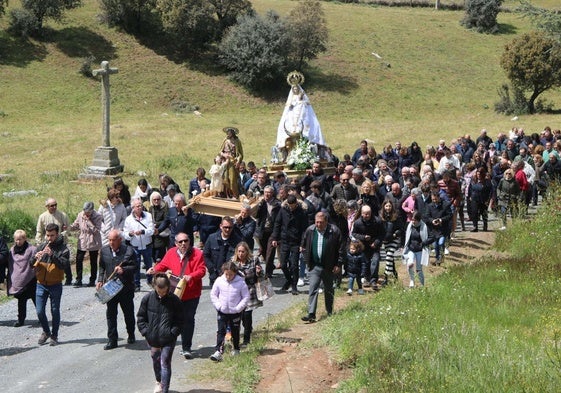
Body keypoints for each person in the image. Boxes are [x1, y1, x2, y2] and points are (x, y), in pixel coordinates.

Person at [148, 232, 206, 360]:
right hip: (174, 293)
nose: (183, 244)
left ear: (189, 242)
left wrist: (192, 276)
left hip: (191, 293)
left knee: (188, 320)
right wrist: (155, 269)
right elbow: (163, 265)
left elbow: (202, 270)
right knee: (170, 319)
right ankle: (168, 345)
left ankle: (186, 347)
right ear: (176, 243)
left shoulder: (197, 254)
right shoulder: (171, 252)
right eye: (180, 242)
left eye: (186, 241)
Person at [137, 273, 184, 393]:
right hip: (152, 339)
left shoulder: (174, 300)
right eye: (159, 291)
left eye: (164, 291)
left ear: (168, 287)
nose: (161, 294)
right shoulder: (147, 298)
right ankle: (158, 381)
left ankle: (165, 389)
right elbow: (141, 318)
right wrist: (146, 332)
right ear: (154, 287)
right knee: (156, 361)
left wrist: (173, 333)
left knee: (165, 363)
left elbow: (180, 320)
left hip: (168, 339)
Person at [300, 212, 345, 323]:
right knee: (313, 288)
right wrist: (307, 261)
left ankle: (329, 311)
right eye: (317, 222)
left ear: (326, 222)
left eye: (321, 222)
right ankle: (311, 314)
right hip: (315, 266)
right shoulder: (310, 230)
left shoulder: (334, 231)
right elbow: (303, 246)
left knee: (328, 290)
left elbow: (341, 249)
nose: (318, 224)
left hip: (329, 267)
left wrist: (338, 264)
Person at [97, 229, 137, 350]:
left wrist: (124, 270)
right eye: (109, 240)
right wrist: (100, 279)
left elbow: (135, 267)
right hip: (110, 288)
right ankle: (112, 340)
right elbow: (102, 266)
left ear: (120, 240)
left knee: (128, 313)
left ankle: (131, 334)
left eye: (114, 240)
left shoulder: (129, 251)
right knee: (111, 314)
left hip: (125, 288)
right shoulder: (104, 251)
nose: (111, 243)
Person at [33, 223, 70, 346]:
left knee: (55, 310)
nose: (49, 238)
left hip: (55, 284)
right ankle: (46, 331)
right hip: (41, 284)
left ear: (57, 234)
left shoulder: (63, 248)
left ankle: (54, 335)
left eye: (52, 235)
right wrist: (34, 258)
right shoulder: (41, 246)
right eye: (47, 235)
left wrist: (52, 255)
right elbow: (30, 264)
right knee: (39, 311)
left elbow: (64, 264)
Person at [209, 261, 250, 361]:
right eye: (226, 274)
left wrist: (238, 308)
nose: (228, 277)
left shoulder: (240, 282)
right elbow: (213, 294)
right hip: (222, 311)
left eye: (231, 274)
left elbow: (246, 297)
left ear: (235, 273)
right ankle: (218, 351)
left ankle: (236, 349)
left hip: (235, 312)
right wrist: (219, 306)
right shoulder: (219, 281)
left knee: (235, 330)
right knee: (221, 331)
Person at [271, 194, 308, 295]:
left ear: (296, 203)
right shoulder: (283, 211)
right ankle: (289, 280)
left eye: (293, 205)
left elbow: (304, 229)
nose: (291, 207)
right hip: (284, 240)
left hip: (296, 242)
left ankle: (294, 286)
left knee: (294, 265)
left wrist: (302, 244)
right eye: (290, 205)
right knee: (283, 264)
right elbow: (277, 224)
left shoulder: (301, 212)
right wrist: (274, 238)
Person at [232, 242, 263, 346]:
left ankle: (246, 339)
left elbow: (261, 275)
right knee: (239, 316)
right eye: (239, 251)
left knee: (247, 315)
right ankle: (238, 334)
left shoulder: (254, 260)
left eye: (243, 251)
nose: (241, 254)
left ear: (247, 252)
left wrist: (258, 272)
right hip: (237, 293)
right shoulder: (233, 262)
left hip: (250, 291)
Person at [35, 198, 71, 285]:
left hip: (61, 243)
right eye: (52, 206)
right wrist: (39, 243)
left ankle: (68, 277)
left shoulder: (62, 215)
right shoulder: (42, 217)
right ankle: (49, 277)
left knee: (63, 260)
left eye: (55, 205)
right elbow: (39, 231)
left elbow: (68, 228)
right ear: (47, 207)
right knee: (49, 261)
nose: (54, 207)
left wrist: (62, 235)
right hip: (48, 243)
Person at [123, 197, 155, 292]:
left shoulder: (148, 216)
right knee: (135, 266)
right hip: (135, 246)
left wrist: (142, 231)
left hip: (147, 245)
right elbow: (125, 234)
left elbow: (151, 230)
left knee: (149, 264)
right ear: (133, 208)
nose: (140, 207)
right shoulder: (128, 219)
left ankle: (150, 281)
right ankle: (136, 284)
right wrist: (130, 234)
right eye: (137, 206)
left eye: (141, 205)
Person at [69, 201, 102, 287]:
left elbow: (97, 231)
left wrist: (89, 222)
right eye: (85, 211)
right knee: (79, 259)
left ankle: (92, 280)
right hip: (83, 239)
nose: (86, 213)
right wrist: (70, 227)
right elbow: (76, 225)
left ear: (92, 210)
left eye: (88, 212)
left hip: (93, 240)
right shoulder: (80, 214)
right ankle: (78, 279)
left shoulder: (98, 216)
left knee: (93, 261)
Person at [351, 205, 385, 289]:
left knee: (375, 261)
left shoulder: (377, 221)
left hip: (374, 246)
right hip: (363, 246)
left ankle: (373, 281)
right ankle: (366, 278)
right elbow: (354, 233)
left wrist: (376, 242)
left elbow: (382, 234)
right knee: (365, 263)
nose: (366, 216)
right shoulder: (357, 223)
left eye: (368, 214)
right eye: (365, 214)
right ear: (361, 213)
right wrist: (363, 237)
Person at [8, 230, 37, 327]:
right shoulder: (12, 251)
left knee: (36, 300)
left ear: (24, 239)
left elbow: (36, 264)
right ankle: (21, 320)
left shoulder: (32, 250)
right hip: (19, 281)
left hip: (31, 279)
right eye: (16, 240)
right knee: (21, 301)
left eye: (20, 239)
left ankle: (41, 317)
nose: (18, 242)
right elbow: (11, 265)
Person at [204, 216, 242, 287]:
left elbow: (242, 257)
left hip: (232, 277)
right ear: (221, 226)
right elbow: (205, 255)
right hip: (215, 276)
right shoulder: (212, 238)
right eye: (225, 227)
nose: (227, 229)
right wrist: (212, 269)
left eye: (230, 227)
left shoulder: (238, 241)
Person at [254, 186, 281, 278]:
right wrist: (259, 206)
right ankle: (271, 266)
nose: (267, 194)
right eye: (265, 192)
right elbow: (256, 216)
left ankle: (268, 273)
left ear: (272, 193)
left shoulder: (277, 204)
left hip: (272, 231)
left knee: (270, 252)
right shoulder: (261, 202)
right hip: (262, 231)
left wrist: (277, 234)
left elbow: (279, 219)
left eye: (269, 192)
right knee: (264, 252)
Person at [403, 211, 433, 288]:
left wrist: (423, 243)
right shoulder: (409, 226)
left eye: (414, 220)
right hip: (411, 249)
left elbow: (432, 237)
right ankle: (412, 280)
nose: (413, 221)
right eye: (412, 219)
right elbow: (405, 236)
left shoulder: (424, 227)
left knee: (419, 270)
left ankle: (422, 285)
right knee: (410, 265)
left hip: (420, 250)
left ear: (419, 220)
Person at [423, 191, 452, 265]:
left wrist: (441, 220)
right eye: (433, 200)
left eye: (436, 199)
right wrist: (432, 221)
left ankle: (441, 257)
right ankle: (437, 258)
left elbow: (449, 215)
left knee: (441, 243)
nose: (434, 201)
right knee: (435, 245)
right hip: (433, 230)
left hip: (443, 229)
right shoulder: (429, 206)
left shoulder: (445, 205)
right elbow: (427, 216)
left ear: (439, 198)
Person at [379, 200, 403, 285]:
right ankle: (395, 273)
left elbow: (401, 228)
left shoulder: (396, 216)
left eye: (389, 206)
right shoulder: (381, 216)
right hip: (385, 240)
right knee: (390, 258)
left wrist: (395, 234)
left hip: (394, 239)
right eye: (386, 206)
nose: (388, 208)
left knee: (389, 256)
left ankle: (386, 277)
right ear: (384, 207)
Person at [219, 127, 244, 198]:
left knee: (232, 180)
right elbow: (220, 151)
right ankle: (226, 195)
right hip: (225, 162)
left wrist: (238, 161)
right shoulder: (225, 140)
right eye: (227, 132)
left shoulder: (237, 141)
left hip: (233, 162)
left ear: (233, 133)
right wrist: (224, 154)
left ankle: (235, 196)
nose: (228, 133)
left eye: (229, 132)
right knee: (224, 179)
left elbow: (241, 154)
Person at [148, 191, 169, 263]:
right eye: (154, 199)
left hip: (161, 233)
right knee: (153, 254)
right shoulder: (151, 208)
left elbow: (166, 220)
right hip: (153, 234)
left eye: (158, 199)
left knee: (160, 253)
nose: (156, 201)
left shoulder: (164, 207)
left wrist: (156, 224)